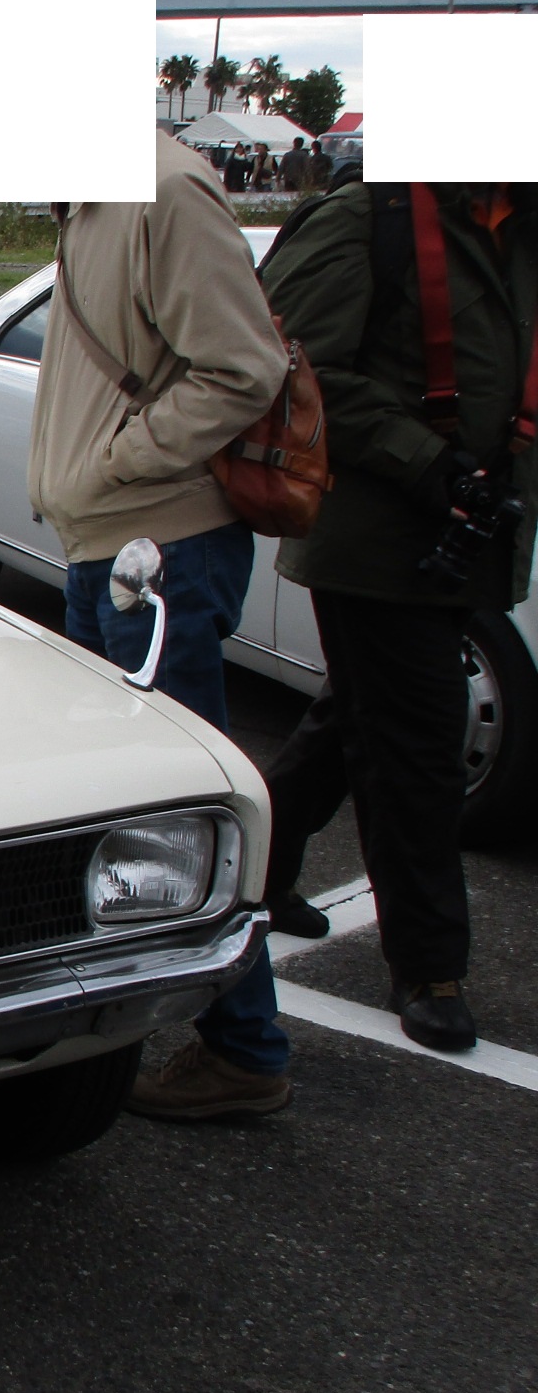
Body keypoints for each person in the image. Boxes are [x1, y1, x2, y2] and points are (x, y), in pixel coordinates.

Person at [28, 131, 293, 1119]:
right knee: (119, 806)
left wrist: (115, 462)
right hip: (114, 543)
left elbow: (240, 368)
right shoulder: (88, 199)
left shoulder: (161, 189)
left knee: (178, 809)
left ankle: (242, 1047)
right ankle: (147, 1027)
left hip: (159, 546)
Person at [258, 182, 537, 1052]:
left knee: (363, 715)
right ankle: (429, 964)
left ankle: (258, 867)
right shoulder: (366, 219)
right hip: (379, 541)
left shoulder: (518, 227)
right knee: (420, 747)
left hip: (472, 537)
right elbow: (295, 363)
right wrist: (427, 463)